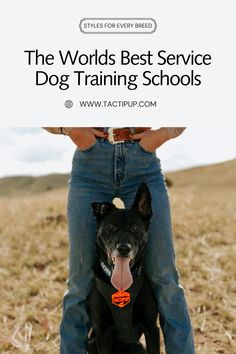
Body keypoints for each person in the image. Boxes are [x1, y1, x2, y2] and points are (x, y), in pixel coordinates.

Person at [43, 127, 195, 354]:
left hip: (143, 162)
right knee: (80, 283)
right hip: (90, 165)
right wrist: (69, 128)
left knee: (165, 280)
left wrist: (165, 133)